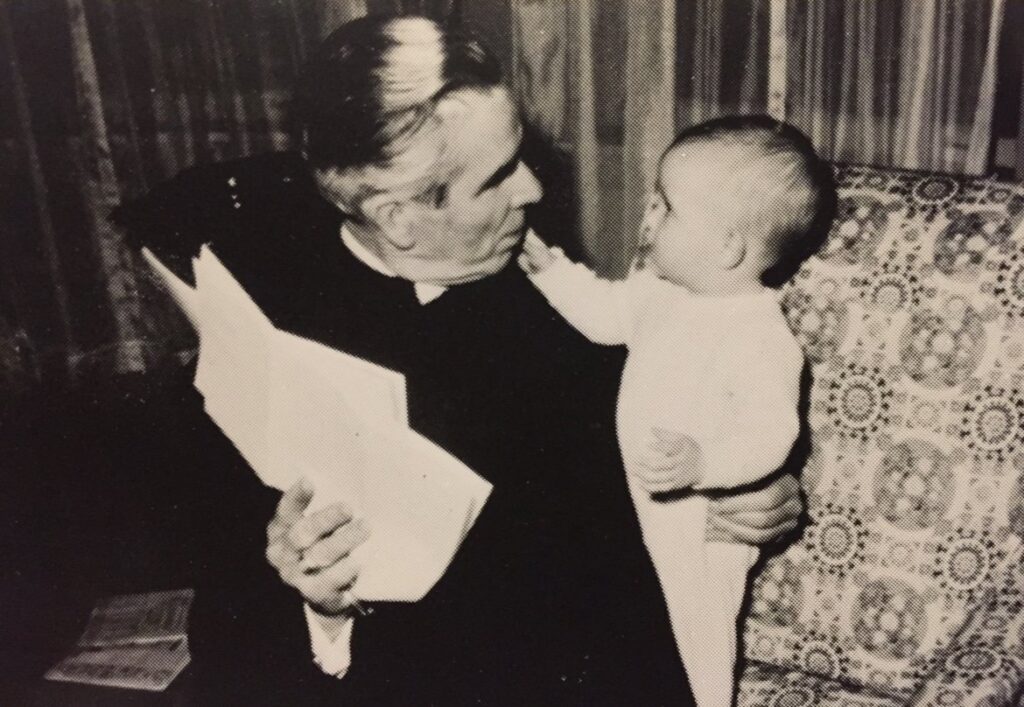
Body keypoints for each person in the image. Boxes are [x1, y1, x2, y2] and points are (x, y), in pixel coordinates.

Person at [113, 15, 804, 706]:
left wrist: (750, 484)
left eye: (522, 155)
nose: (534, 189)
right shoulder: (274, 338)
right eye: (499, 176)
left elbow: (639, 547)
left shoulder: (562, 315)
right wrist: (321, 607)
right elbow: (231, 631)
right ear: (397, 216)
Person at [517, 116, 836, 707]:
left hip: (699, 518)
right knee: (632, 621)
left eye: (666, 207)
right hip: (640, 501)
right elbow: (603, 313)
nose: (647, 216)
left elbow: (772, 431)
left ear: (726, 246)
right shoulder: (657, 293)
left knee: (696, 633)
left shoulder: (760, 333)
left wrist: (704, 463)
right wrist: (552, 270)